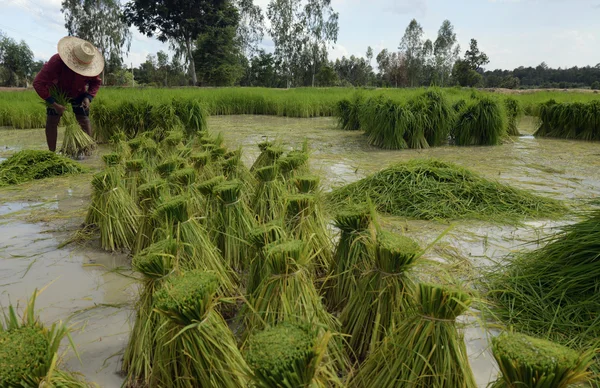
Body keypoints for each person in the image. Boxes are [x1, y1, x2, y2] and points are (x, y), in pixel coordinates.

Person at [33, 37, 104, 152]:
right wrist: (54, 104)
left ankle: (88, 150)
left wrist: (88, 97)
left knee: (84, 119)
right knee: (52, 121)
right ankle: (52, 153)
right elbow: (38, 83)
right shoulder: (56, 62)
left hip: (78, 92)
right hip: (57, 91)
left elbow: (96, 82)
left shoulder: (89, 68)